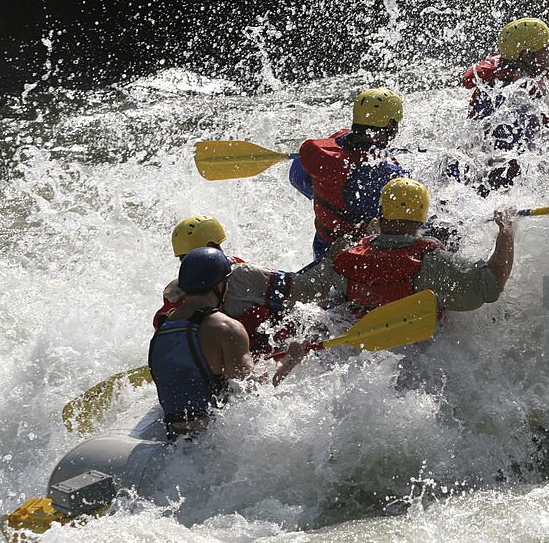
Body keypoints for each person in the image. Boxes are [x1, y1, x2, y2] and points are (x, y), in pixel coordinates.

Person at [275, 177, 515, 317]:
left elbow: (312, 291)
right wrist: (505, 230)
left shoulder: (345, 254)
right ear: (422, 218)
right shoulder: (433, 260)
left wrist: (369, 239)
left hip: (358, 347)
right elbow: (495, 281)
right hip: (420, 355)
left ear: (381, 215)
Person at [148, 248, 308, 439]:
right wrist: (291, 358)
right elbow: (253, 392)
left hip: (173, 437)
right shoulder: (227, 328)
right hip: (210, 441)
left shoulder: (164, 326)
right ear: (221, 284)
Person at [460, 17, 549, 193]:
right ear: (527, 56)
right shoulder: (501, 98)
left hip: (528, 167)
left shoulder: (536, 73)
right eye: (546, 50)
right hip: (498, 180)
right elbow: (504, 153)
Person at [289, 88, 408, 261]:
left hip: (322, 247)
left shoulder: (325, 148)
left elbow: (296, 177)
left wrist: (327, 194)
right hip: (353, 261)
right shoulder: (382, 174)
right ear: (390, 126)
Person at [156, 215, 291, 357]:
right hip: (268, 355)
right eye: (217, 245)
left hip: (214, 363)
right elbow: (299, 289)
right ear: (210, 247)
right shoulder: (242, 275)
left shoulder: (172, 294)